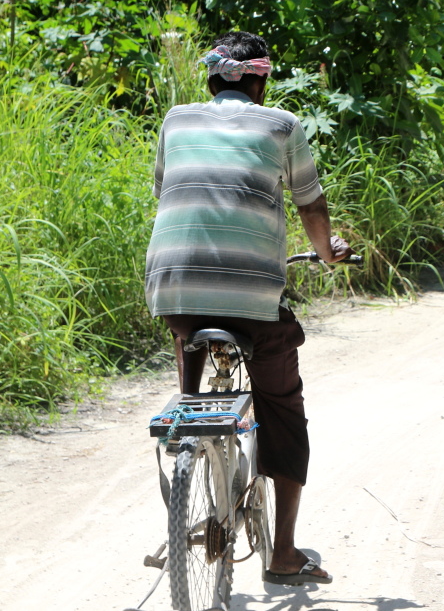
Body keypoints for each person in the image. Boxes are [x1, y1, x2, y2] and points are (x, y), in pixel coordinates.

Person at [144, 30, 352, 586]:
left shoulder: (175, 121)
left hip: (173, 286)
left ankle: (190, 419)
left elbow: (166, 190)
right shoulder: (282, 126)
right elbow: (311, 202)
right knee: (282, 406)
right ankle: (282, 554)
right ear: (260, 80)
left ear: (210, 78)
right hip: (253, 299)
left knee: (187, 340)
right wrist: (328, 254)